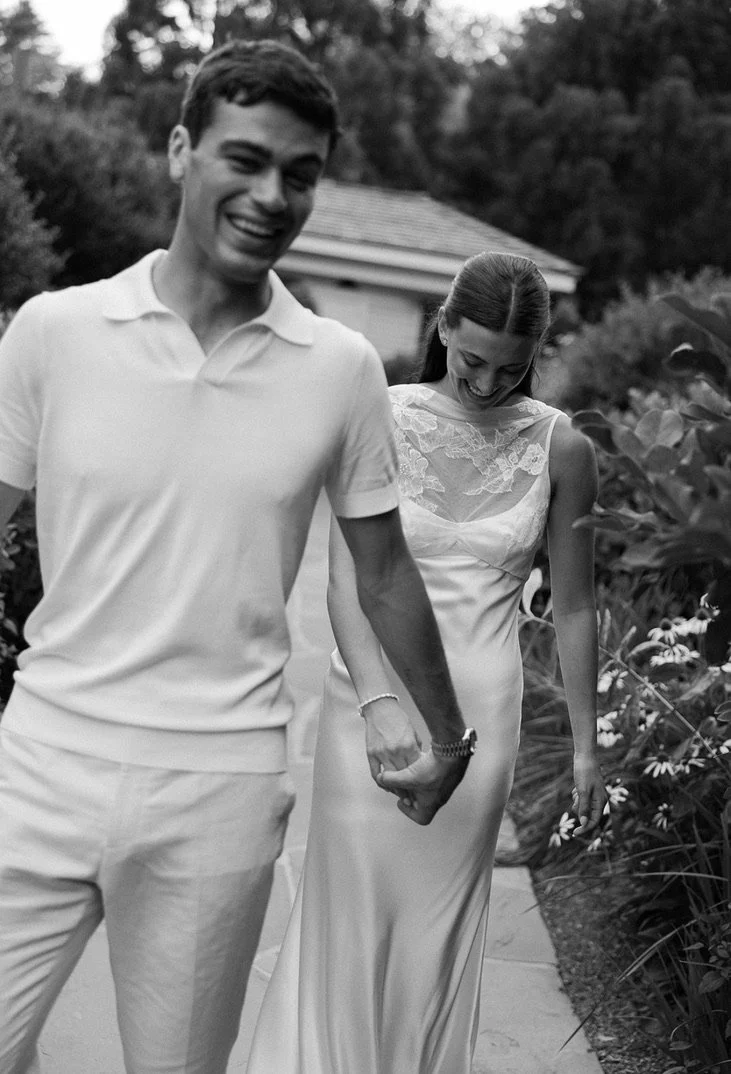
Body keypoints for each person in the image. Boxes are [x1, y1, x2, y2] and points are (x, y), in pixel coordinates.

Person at [0, 40, 474, 1074]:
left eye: (297, 175)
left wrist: (449, 736)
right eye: (245, 159)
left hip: (219, 790)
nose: (271, 195)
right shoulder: (54, 333)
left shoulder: (339, 370)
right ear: (180, 149)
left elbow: (384, 573)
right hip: (38, 761)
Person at [248, 251, 609, 1074]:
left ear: (535, 356)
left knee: (436, 927)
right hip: (365, 703)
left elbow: (577, 605)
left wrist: (587, 748)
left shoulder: (562, 448)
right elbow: (349, 578)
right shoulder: (378, 411)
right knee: (349, 909)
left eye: (509, 368)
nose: (485, 384)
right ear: (442, 327)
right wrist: (374, 701)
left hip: (483, 713)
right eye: (472, 359)